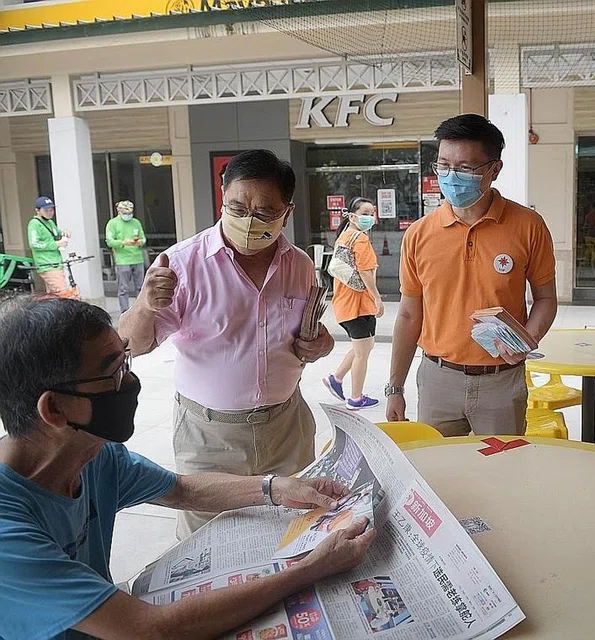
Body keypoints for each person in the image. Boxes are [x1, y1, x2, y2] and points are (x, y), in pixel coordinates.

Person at [0, 296, 374, 640]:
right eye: (113, 373)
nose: (130, 383)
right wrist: (309, 569)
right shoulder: (8, 532)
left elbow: (182, 490)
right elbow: (151, 629)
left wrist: (278, 488)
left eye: (126, 361)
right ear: (54, 409)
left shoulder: (94, 455)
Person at [118, 149, 335, 538]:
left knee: (294, 533)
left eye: (265, 212)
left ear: (288, 211)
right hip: (209, 436)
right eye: (236, 207)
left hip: (287, 428)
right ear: (222, 198)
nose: (248, 221)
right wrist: (145, 306)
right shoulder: (181, 263)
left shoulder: (299, 265)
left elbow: (305, 338)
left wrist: (317, 345)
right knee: (208, 542)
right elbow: (131, 345)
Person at [385, 114, 558, 436]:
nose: (451, 176)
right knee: (440, 476)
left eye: (465, 168)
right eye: (443, 165)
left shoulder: (528, 226)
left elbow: (546, 298)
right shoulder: (419, 234)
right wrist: (395, 387)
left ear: (494, 169)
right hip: (438, 379)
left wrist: (527, 339)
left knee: (500, 474)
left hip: (502, 381)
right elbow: (409, 315)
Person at [324, 197, 385, 410]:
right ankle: (356, 398)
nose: (370, 217)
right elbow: (365, 272)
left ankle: (336, 379)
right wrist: (377, 298)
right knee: (362, 352)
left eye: (372, 213)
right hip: (357, 306)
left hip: (345, 305)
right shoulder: (359, 239)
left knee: (365, 346)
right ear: (352, 216)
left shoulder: (344, 237)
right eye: (365, 213)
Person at [105, 200, 147, 313]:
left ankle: (141, 310)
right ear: (119, 212)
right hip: (122, 260)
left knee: (140, 287)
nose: (128, 215)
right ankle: (125, 311)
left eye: (130, 213)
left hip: (137, 258)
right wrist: (123, 242)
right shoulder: (113, 223)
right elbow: (109, 241)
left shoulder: (136, 222)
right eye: (125, 213)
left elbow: (143, 238)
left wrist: (140, 242)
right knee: (123, 288)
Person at [27, 196, 70, 294]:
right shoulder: (34, 224)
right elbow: (34, 244)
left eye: (51, 209)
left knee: (53, 295)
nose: (50, 212)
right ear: (37, 210)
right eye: (46, 210)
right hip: (47, 264)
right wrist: (56, 244)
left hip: (56, 263)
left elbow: (57, 234)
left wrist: (64, 232)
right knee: (63, 293)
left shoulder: (50, 222)